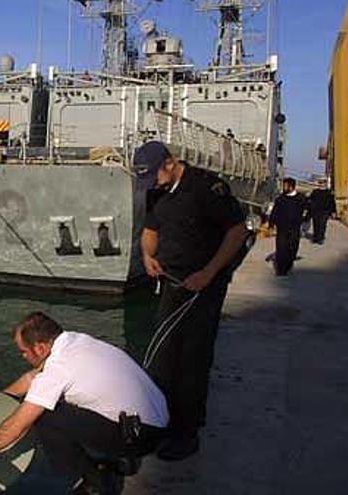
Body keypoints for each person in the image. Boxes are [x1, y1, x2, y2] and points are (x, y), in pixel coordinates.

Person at [0, 312, 168, 493]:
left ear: (41, 348)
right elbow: (31, 379)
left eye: (24, 351)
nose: (22, 356)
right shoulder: (75, 342)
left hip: (141, 437)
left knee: (46, 416)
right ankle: (116, 460)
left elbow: (18, 424)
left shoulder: (58, 368)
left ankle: (90, 483)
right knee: (60, 401)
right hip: (156, 422)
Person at [135, 141, 248, 461]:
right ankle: (162, 422)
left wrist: (209, 272)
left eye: (154, 175)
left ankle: (187, 433)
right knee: (162, 356)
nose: (151, 183)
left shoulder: (206, 188)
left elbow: (237, 231)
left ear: (169, 163)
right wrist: (147, 255)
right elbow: (150, 229)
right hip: (171, 281)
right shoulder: (158, 190)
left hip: (203, 285)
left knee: (192, 360)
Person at [269, 178, 308, 276]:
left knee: (292, 248)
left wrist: (305, 220)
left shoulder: (301, 198)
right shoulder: (280, 199)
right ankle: (281, 270)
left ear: (291, 187)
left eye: (285, 186)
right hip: (282, 228)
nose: (283, 187)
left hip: (294, 228)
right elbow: (274, 212)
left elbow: (308, 210)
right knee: (281, 248)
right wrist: (271, 224)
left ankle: (288, 265)